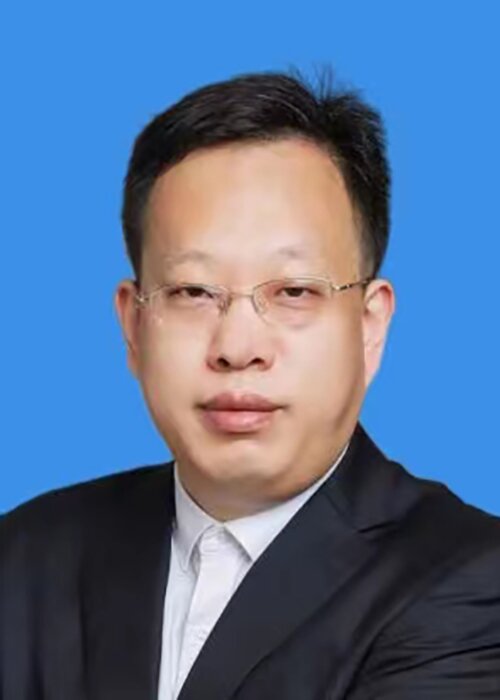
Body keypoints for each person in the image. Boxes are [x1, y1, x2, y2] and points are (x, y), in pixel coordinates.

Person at [1, 69, 499, 700]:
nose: (238, 348)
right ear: (133, 325)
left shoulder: (471, 580)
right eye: (192, 292)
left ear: (369, 326)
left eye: (293, 292)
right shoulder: (24, 557)